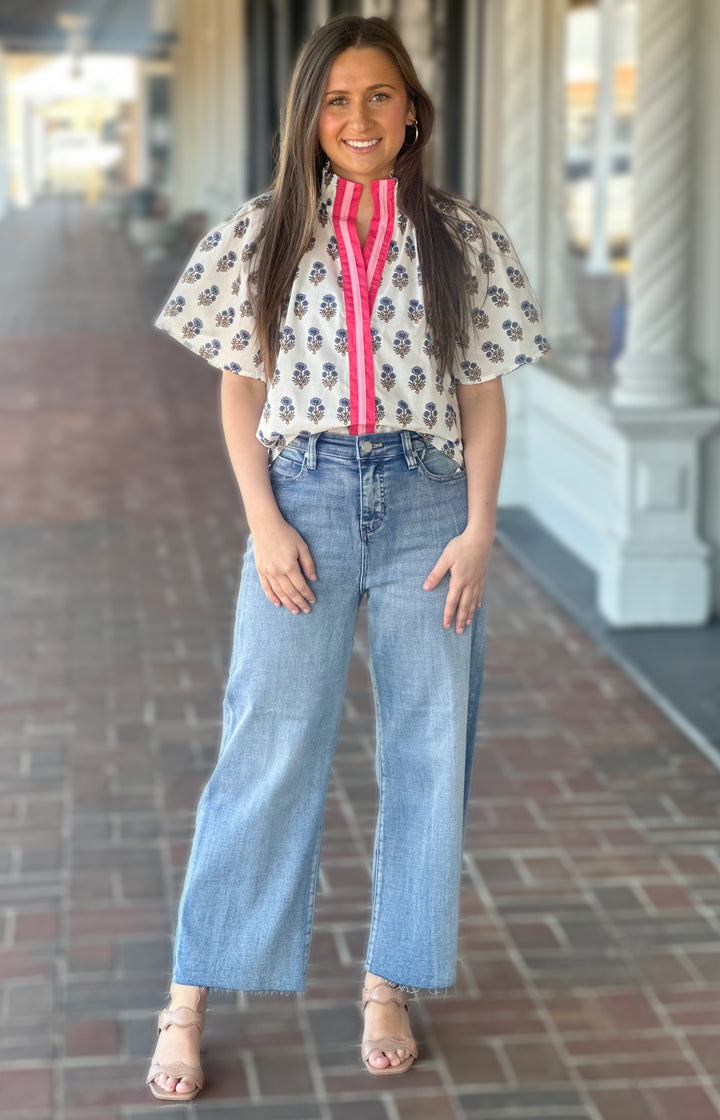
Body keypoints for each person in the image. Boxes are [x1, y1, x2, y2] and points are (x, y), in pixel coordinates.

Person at [144, 12, 550, 1101]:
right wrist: (264, 522)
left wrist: (478, 526)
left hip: (428, 503)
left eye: (378, 97)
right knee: (267, 743)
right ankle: (189, 993)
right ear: (309, 118)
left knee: (430, 748)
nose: (359, 118)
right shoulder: (264, 232)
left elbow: (481, 395)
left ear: (411, 109)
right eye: (336, 100)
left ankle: (388, 980)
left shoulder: (463, 237)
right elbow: (240, 389)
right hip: (306, 498)